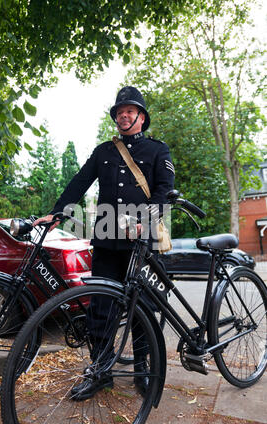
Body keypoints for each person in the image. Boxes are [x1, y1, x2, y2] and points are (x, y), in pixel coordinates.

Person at [33, 86, 175, 400]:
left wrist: (145, 221)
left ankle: (142, 369)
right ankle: (101, 372)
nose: (123, 115)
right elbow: (79, 183)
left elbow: (165, 193)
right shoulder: (104, 151)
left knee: (144, 308)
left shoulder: (157, 151)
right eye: (119, 111)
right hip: (108, 240)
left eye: (129, 111)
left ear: (141, 117)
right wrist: (57, 213)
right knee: (101, 307)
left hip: (142, 241)